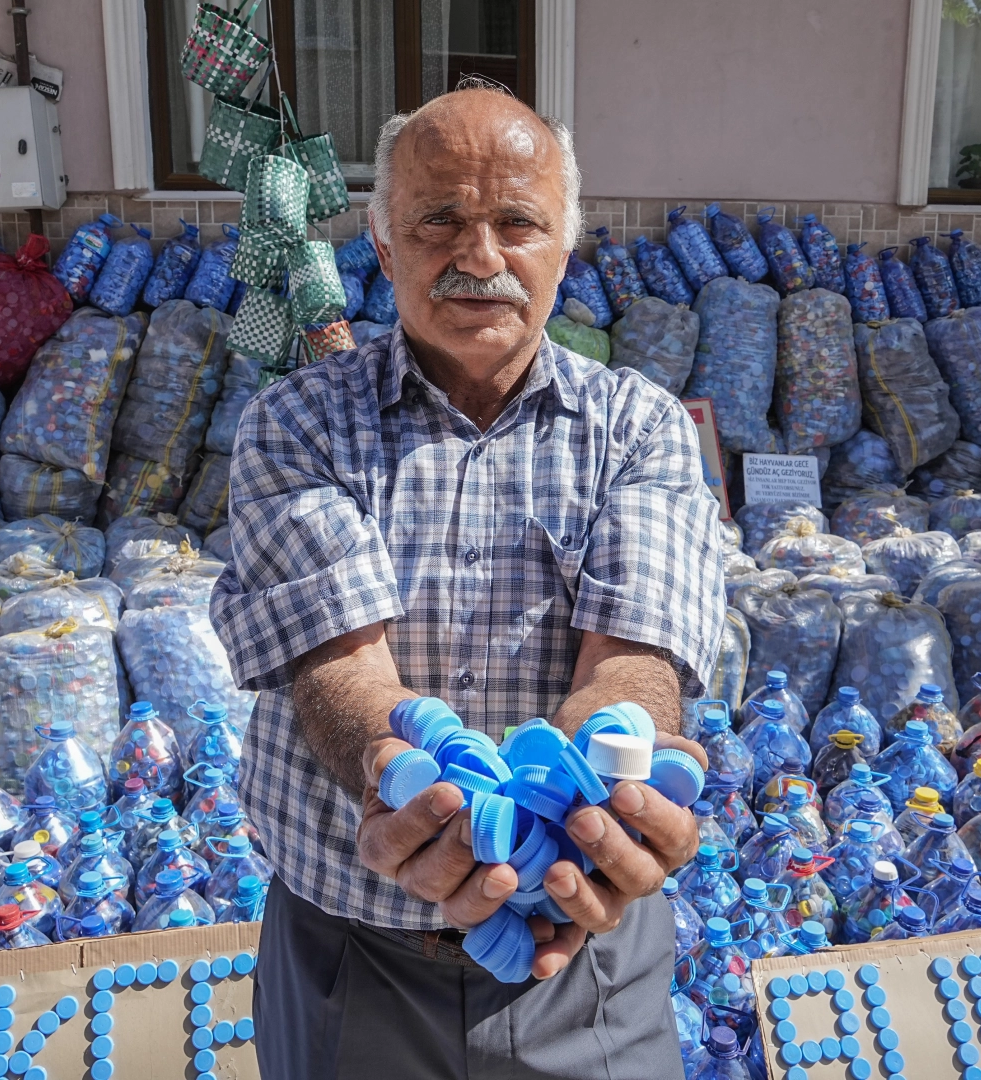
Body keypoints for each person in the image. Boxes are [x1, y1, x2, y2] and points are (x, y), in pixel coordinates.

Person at [211, 77, 723, 1079]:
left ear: (564, 249)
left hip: (585, 951)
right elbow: (341, 667)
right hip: (351, 955)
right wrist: (397, 774)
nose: (480, 258)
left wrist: (603, 791)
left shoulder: (641, 430)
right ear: (384, 245)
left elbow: (633, 662)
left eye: (517, 223)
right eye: (438, 220)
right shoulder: (297, 423)